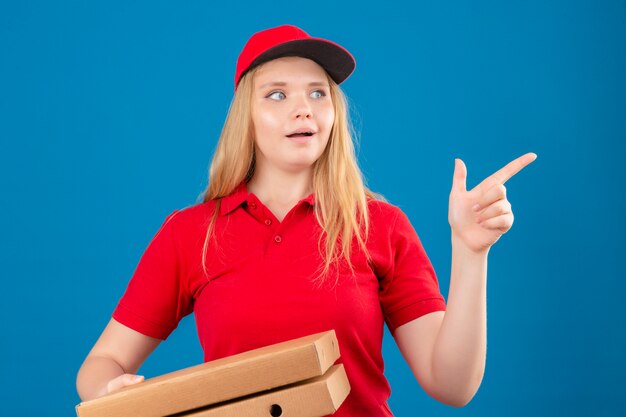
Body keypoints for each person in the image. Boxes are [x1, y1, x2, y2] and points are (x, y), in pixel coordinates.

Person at [76, 24, 536, 415]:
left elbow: (452, 386)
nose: (304, 108)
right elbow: (101, 364)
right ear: (246, 118)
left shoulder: (379, 224)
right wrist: (110, 394)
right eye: (277, 94)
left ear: (333, 114)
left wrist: (471, 251)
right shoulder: (191, 234)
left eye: (318, 93)